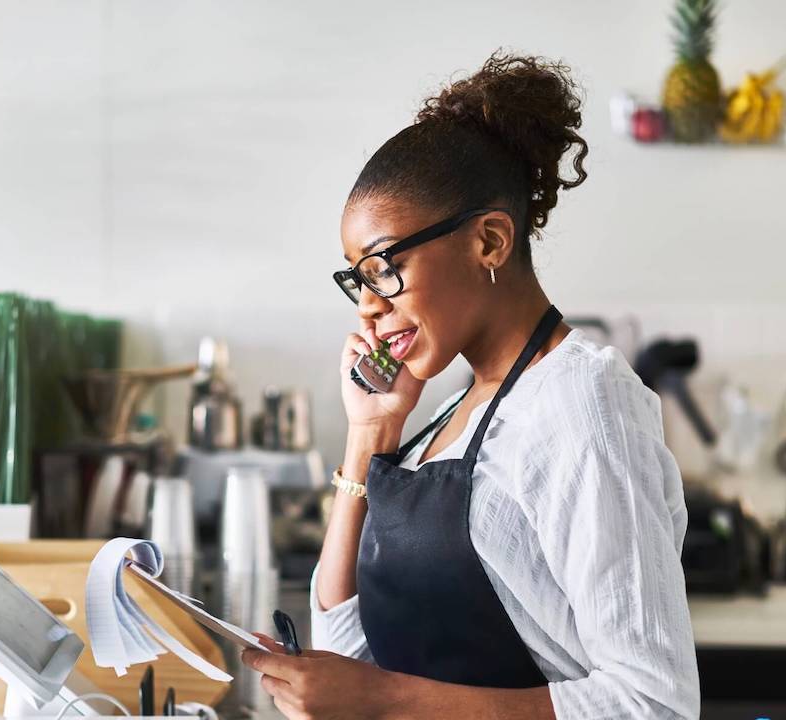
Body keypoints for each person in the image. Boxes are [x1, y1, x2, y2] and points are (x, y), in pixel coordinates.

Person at [242, 51, 699, 719]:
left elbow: (653, 701)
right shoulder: (455, 410)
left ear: (488, 241)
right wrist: (371, 432)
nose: (367, 305)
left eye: (382, 268)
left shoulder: (583, 402)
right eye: (357, 279)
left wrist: (385, 701)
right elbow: (347, 649)